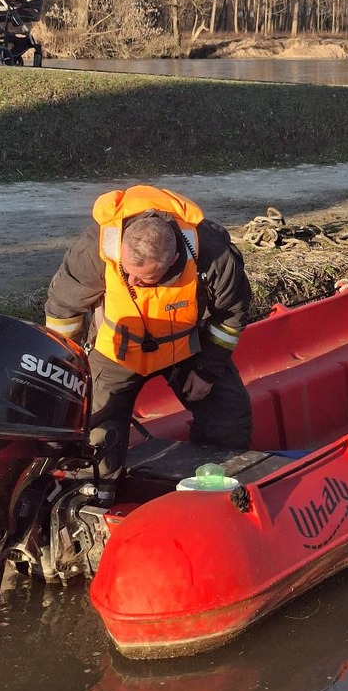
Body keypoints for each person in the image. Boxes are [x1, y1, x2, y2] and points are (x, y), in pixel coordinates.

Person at [45, 183, 253, 488]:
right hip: (114, 354)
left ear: (171, 260)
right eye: (126, 271)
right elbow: (62, 311)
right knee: (93, 435)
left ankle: (213, 488)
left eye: (143, 278)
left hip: (185, 348)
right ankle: (91, 497)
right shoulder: (95, 251)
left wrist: (207, 370)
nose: (130, 280)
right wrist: (69, 373)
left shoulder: (211, 255)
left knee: (229, 414)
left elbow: (232, 315)